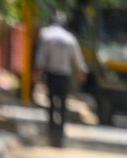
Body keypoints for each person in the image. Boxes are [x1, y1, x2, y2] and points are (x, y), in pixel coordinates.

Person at [34, 12, 88, 147]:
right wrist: (81, 72)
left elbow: (41, 57)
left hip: (52, 75)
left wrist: (37, 73)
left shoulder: (47, 35)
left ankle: (52, 134)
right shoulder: (70, 38)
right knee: (63, 106)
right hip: (64, 76)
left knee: (51, 105)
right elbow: (78, 59)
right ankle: (60, 136)